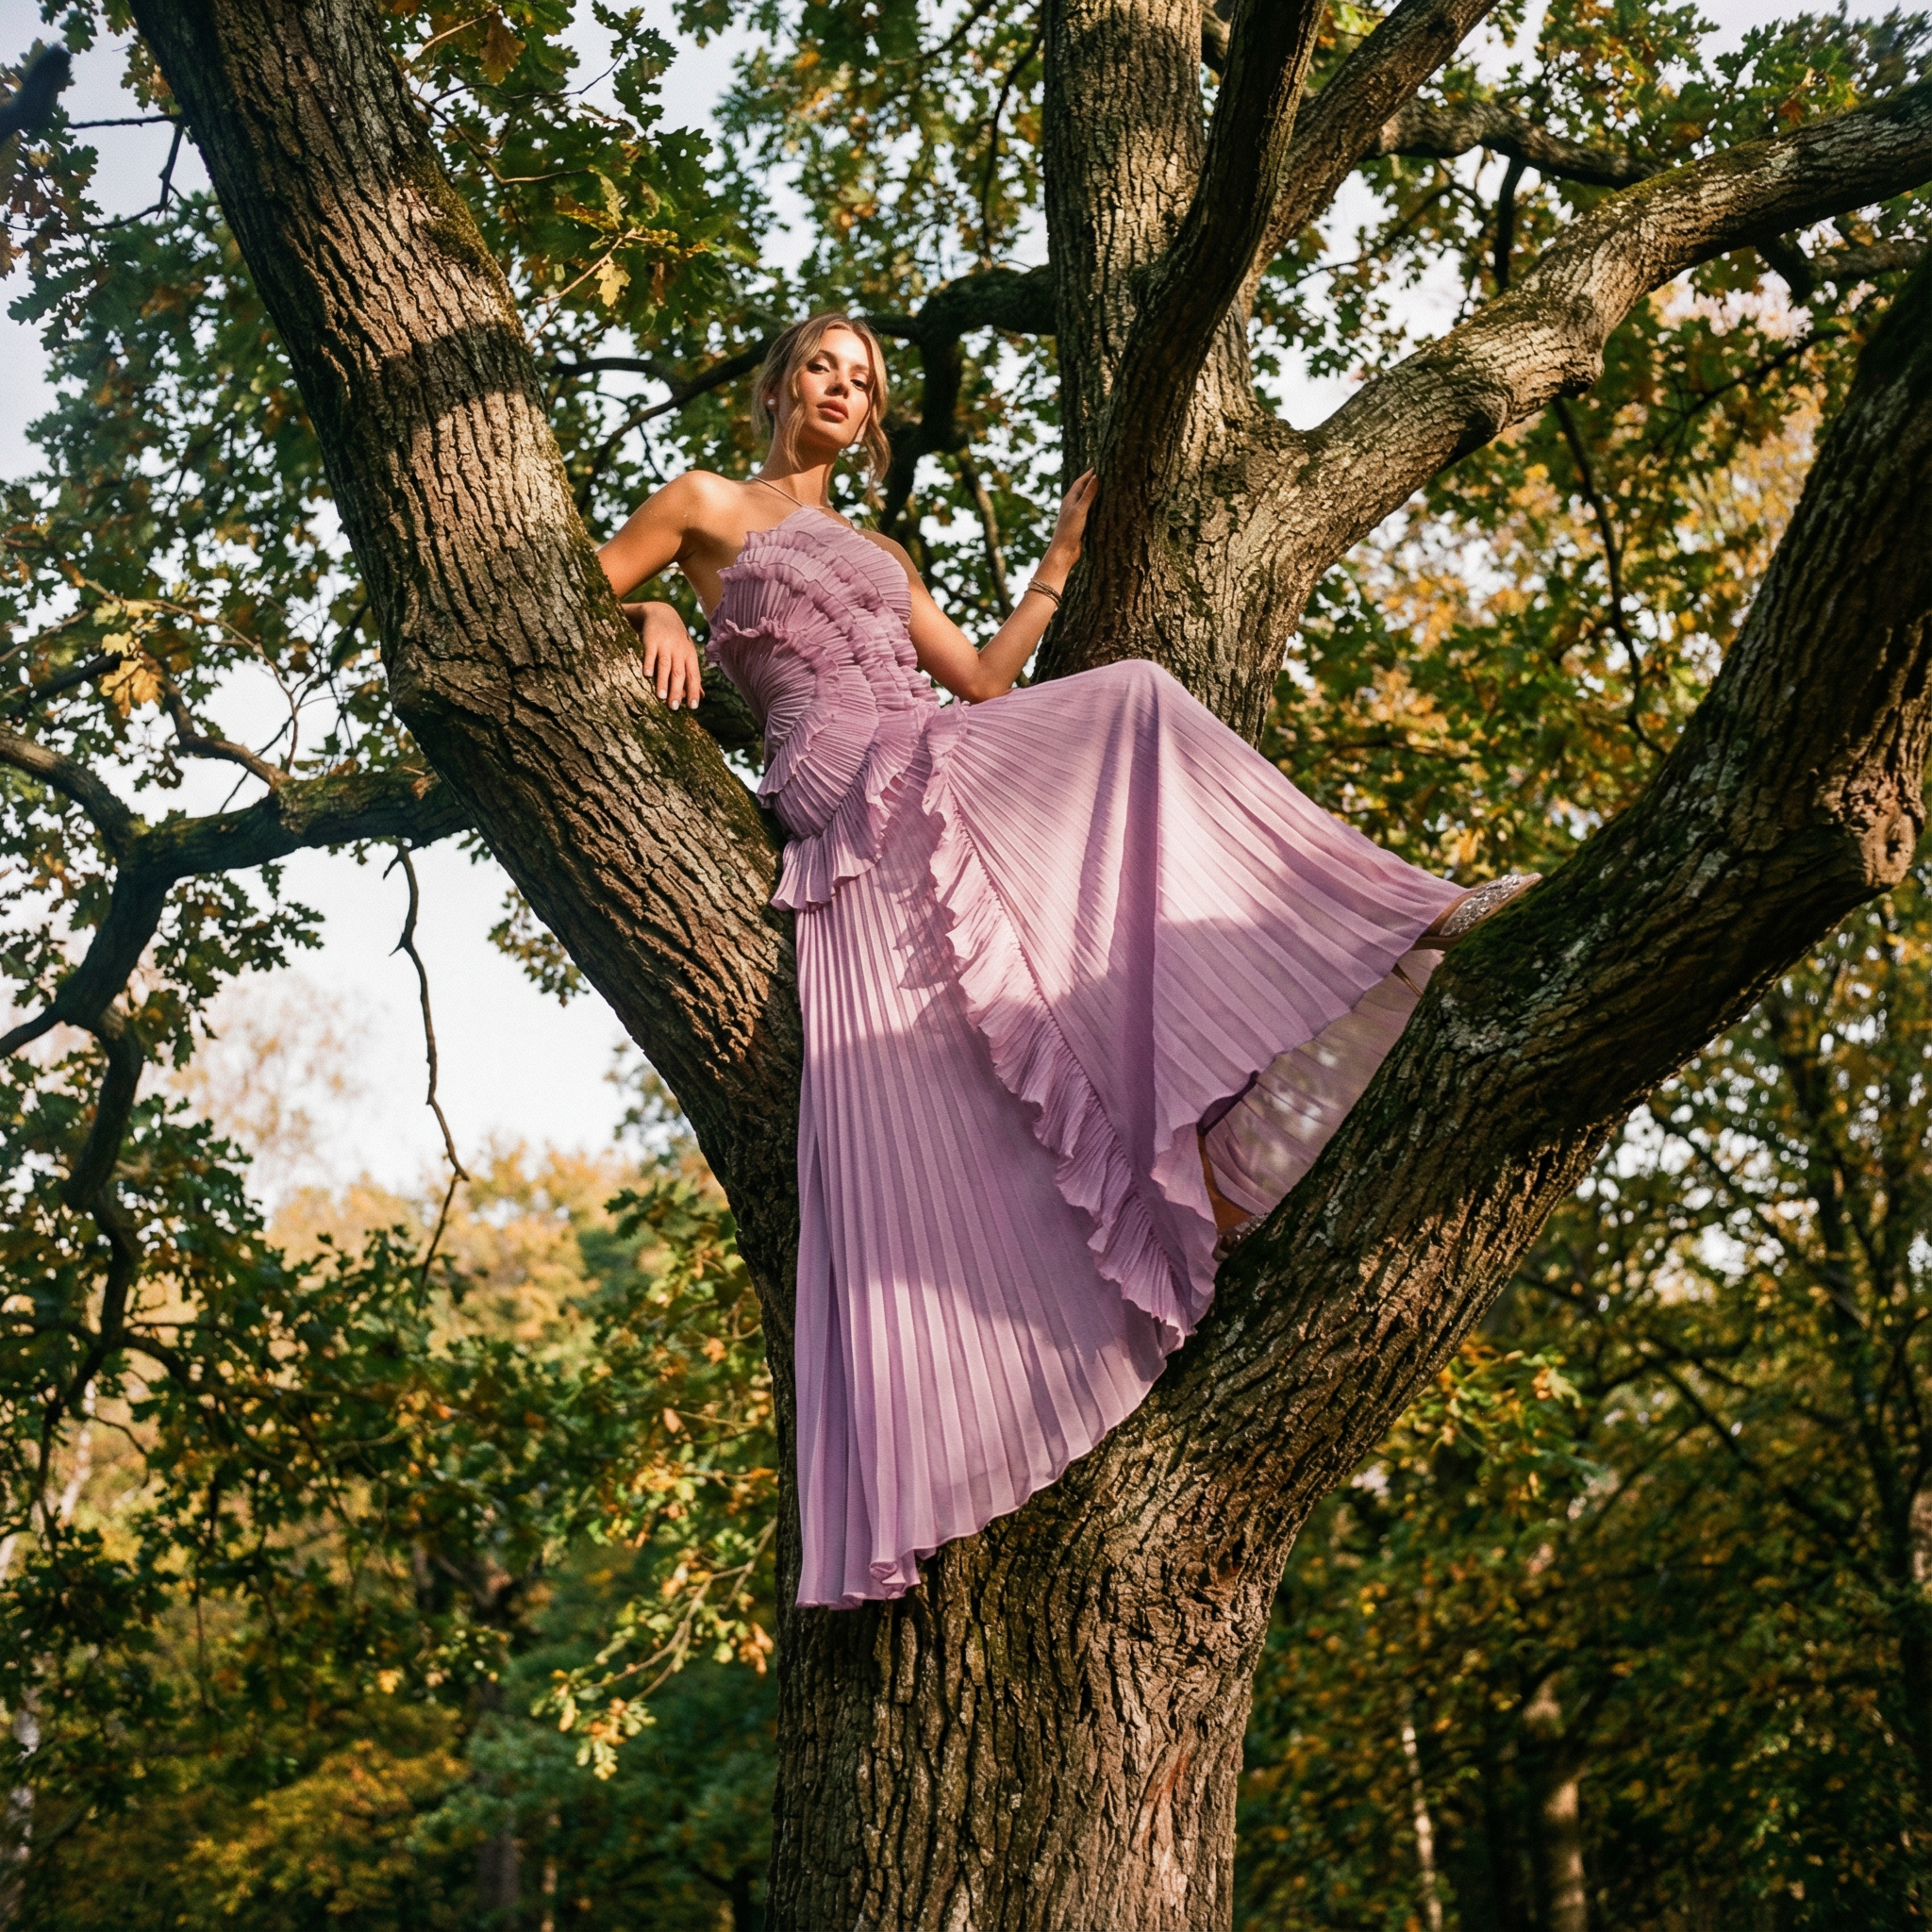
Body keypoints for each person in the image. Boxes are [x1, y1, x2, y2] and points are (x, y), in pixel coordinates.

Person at [598, 314, 1536, 1608]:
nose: (845, 389)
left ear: (873, 418)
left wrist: (1053, 564)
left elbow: (982, 680)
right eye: (825, 366)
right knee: (1141, 697)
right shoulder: (704, 501)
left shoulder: (883, 550)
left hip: (931, 754)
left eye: (865, 381)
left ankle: (1371, 937)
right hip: (837, 777)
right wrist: (652, 610)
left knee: (1079, 923)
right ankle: (1407, 912)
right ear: (773, 385)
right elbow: (566, 591)